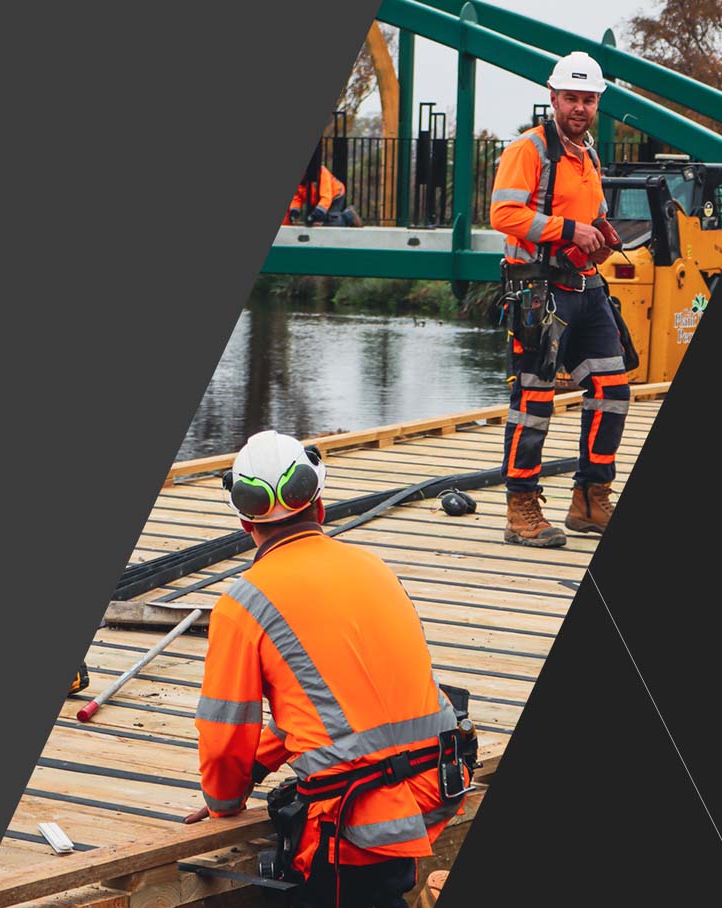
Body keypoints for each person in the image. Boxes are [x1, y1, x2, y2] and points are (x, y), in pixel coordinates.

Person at [184, 430, 470, 908]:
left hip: (357, 816)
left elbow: (225, 732)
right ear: (319, 506)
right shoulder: (373, 567)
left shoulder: (243, 603)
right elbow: (346, 707)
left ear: (243, 521)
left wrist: (224, 803)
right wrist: (260, 765)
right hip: (435, 783)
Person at [490, 51, 630, 547]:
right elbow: (503, 214)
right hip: (537, 290)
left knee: (612, 389)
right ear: (553, 99)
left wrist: (603, 230)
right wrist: (569, 229)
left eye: (588, 99)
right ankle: (520, 507)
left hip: (586, 287)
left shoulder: (588, 154)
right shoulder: (529, 149)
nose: (579, 107)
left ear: (597, 104)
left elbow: (591, 211)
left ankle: (590, 498)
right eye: (571, 98)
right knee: (534, 398)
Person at [285, 145, 363, 227]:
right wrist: (294, 210)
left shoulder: (321, 173)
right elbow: (297, 197)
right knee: (317, 222)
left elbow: (326, 198)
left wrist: (317, 213)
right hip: (319, 199)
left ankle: (349, 216)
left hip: (336, 195)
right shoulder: (302, 180)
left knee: (329, 222)